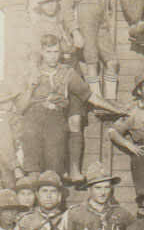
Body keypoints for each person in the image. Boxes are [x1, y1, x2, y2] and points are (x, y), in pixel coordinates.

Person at [17, 39, 122, 180]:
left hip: (55, 121)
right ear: (42, 52)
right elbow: (20, 108)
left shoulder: (68, 73)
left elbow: (90, 96)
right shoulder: (30, 73)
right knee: (33, 171)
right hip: (33, 122)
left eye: (56, 52)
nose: (52, 56)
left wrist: (115, 109)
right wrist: (30, 87)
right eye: (48, 52)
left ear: (60, 53)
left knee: (54, 172)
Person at [59, 0, 120, 101]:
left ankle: (111, 99)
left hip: (101, 20)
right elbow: (66, 9)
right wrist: (75, 32)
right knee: (91, 62)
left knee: (112, 61)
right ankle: (98, 100)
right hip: (85, 20)